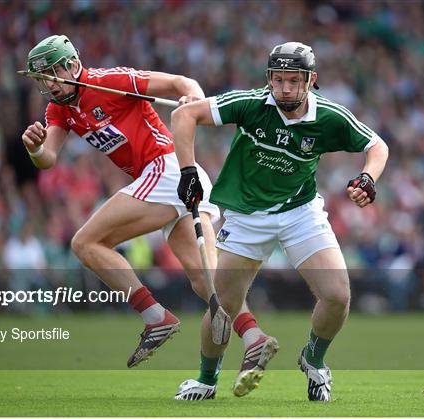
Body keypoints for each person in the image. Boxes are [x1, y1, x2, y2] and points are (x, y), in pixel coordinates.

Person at [21, 35, 275, 369]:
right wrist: (35, 148)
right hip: (168, 180)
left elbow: (181, 83)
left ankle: (156, 317)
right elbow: (48, 158)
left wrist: (193, 101)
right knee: (205, 278)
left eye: (52, 74)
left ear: (71, 64)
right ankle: (255, 337)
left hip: (168, 169)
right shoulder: (60, 109)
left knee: (85, 243)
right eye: (42, 79)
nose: (49, 85)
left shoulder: (109, 81)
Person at [172, 42, 389, 401]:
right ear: (269, 79)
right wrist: (187, 171)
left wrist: (367, 178)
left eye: (293, 80)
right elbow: (184, 117)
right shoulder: (252, 104)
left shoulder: (328, 117)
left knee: (336, 295)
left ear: (310, 80)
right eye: (277, 80)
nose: (285, 88)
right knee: (222, 304)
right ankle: (206, 380)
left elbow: (376, 146)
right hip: (247, 217)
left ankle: (314, 361)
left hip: (299, 212)